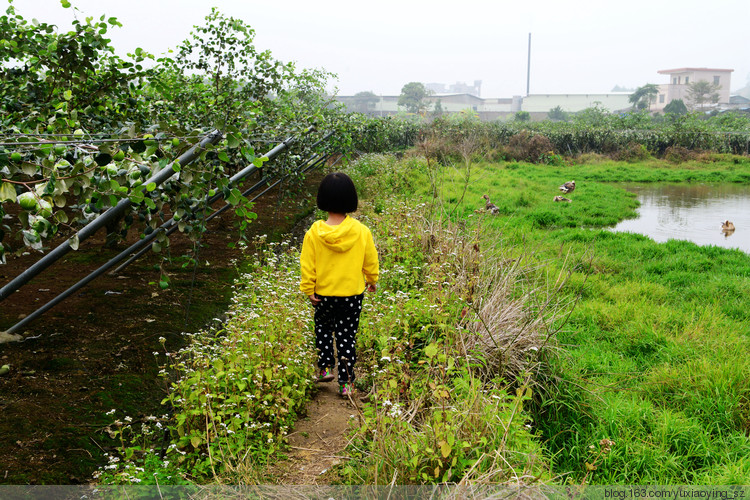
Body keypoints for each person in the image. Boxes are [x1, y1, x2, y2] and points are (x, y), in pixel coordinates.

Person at [300, 172, 379, 397]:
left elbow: (307, 264)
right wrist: (371, 280)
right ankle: (346, 383)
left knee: (323, 329)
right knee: (346, 335)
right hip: (352, 295)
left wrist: (308, 289)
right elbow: (370, 260)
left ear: (322, 199)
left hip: (323, 294)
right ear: (351, 200)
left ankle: (325, 367)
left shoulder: (314, 233)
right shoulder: (361, 232)